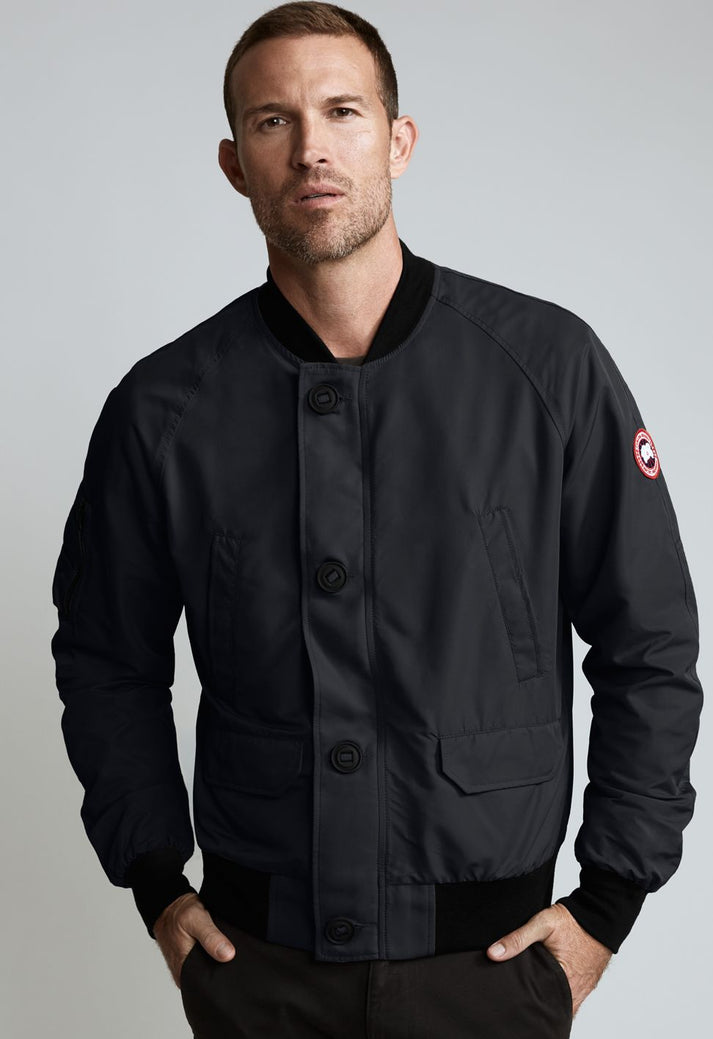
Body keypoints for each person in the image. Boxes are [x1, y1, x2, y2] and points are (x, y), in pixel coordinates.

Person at [50, 3, 703, 1036]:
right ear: (233, 163)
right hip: (257, 972)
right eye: (272, 121)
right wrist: (156, 884)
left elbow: (650, 642)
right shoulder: (163, 407)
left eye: (342, 112)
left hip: (490, 972)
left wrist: (606, 905)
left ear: (398, 141)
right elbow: (104, 661)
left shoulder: (547, 367)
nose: (310, 148)